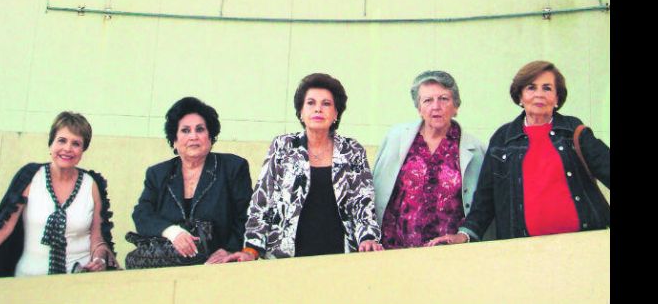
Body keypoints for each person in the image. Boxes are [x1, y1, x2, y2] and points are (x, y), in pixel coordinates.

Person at [427, 61, 610, 246]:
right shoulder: (503, 138)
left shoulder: (573, 131)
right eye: (531, 87)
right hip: (522, 250)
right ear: (520, 96)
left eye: (547, 88)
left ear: (557, 98)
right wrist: (465, 234)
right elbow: (485, 197)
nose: (539, 94)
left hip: (583, 244)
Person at [222, 73, 383, 262]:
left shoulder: (352, 150)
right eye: (311, 103)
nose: (318, 109)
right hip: (286, 257)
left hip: (341, 256)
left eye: (326, 104)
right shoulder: (283, 146)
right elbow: (262, 201)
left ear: (336, 114)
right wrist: (251, 248)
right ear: (300, 112)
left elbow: (363, 201)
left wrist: (368, 238)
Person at [0, 111, 119, 278]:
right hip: (29, 280)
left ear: (83, 150)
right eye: (62, 140)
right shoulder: (30, 177)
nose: (67, 148)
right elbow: (2, 229)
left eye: (76, 143)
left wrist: (99, 259)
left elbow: (97, 237)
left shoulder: (92, 184)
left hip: (77, 281)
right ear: (51, 143)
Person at [372, 70, 495, 249]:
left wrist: (466, 235)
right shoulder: (395, 139)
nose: (436, 106)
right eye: (428, 100)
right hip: (395, 250)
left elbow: (483, 205)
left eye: (444, 99)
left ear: (456, 107)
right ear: (419, 108)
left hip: (449, 253)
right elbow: (375, 190)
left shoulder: (476, 150)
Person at [132, 97, 252, 264]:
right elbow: (142, 215)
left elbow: (246, 216)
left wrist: (229, 249)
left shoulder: (233, 167)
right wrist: (172, 232)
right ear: (174, 140)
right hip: (167, 264)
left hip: (217, 264)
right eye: (185, 130)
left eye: (200, 129)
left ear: (210, 137)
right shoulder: (158, 174)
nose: (193, 136)